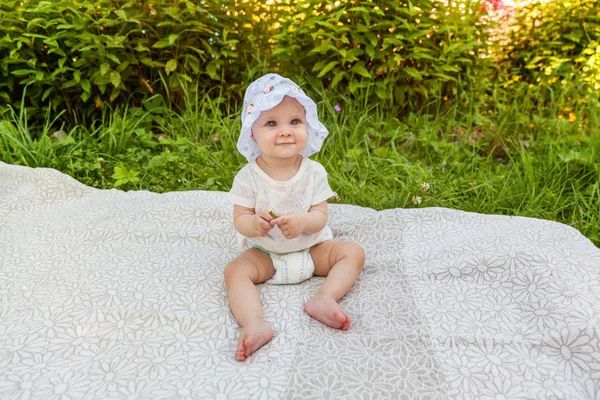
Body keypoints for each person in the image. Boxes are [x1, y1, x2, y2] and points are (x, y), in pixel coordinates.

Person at [225, 73, 365, 361]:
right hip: (266, 255)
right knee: (234, 271)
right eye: (272, 123)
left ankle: (324, 298)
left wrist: (303, 222)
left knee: (352, 252)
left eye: (295, 122)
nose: (286, 131)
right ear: (252, 132)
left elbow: (320, 217)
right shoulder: (248, 177)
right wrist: (254, 225)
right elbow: (240, 219)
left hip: (313, 251)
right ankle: (254, 324)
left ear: (308, 126)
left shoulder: (314, 172)